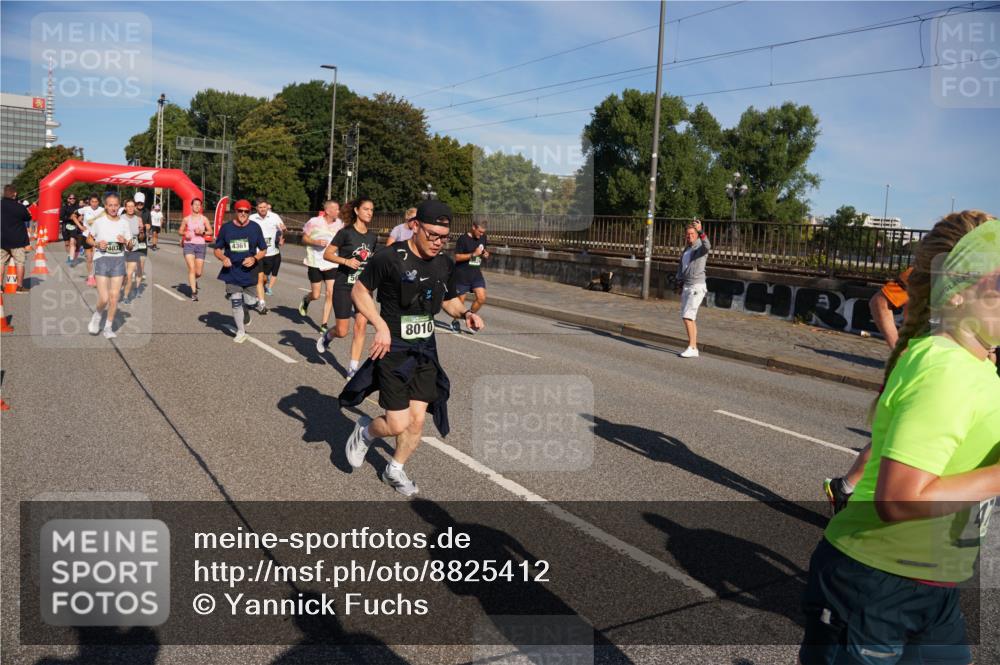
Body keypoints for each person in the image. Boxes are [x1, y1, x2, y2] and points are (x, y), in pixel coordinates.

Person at [799, 210, 1000, 665]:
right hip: (872, 582)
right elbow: (899, 500)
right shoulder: (944, 366)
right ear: (960, 292)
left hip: (935, 583)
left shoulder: (980, 364)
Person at [339, 200, 485, 496]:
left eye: (444, 237)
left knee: (417, 421)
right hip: (393, 348)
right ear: (416, 226)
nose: (438, 242)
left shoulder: (444, 263)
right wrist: (379, 326)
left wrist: (465, 313)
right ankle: (366, 432)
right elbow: (360, 291)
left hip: (424, 349)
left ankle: (394, 469)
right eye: (432, 234)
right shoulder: (390, 257)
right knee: (397, 423)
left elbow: (448, 301)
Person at [824, 267, 914, 514]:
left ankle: (847, 488)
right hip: (916, 371)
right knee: (896, 437)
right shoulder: (927, 266)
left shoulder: (984, 273)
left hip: (957, 376)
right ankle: (850, 491)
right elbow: (879, 302)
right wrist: (899, 350)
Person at [316, 197, 377, 378]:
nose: (369, 213)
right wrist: (346, 261)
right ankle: (328, 336)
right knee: (343, 331)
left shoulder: (373, 237)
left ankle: (352, 368)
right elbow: (328, 254)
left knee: (361, 326)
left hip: (363, 289)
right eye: (366, 209)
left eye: (372, 210)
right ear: (357, 211)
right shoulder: (346, 233)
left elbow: (371, 261)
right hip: (343, 285)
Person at [213, 200, 268, 344]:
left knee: (249, 301)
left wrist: (254, 258)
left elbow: (263, 250)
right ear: (235, 212)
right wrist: (223, 258)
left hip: (249, 271)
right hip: (232, 270)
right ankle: (241, 331)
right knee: (235, 300)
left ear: (250, 212)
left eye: (246, 211)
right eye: (240, 211)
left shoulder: (255, 228)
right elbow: (217, 249)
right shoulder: (226, 228)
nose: (243, 214)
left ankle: (247, 307)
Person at [83, 193, 133, 339]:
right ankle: (97, 315)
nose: (113, 208)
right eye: (110, 205)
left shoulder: (124, 223)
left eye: (115, 205)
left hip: (118, 261)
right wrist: (97, 244)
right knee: (104, 298)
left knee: (114, 297)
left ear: (119, 206)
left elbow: (131, 246)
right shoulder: (99, 221)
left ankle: (108, 327)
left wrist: (125, 241)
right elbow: (89, 239)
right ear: (105, 206)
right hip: (102, 259)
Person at [299, 200, 344, 334]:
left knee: (330, 292)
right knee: (316, 294)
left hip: (332, 262)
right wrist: (315, 242)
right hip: (315, 261)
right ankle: (307, 299)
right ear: (328, 210)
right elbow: (303, 239)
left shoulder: (340, 224)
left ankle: (324, 323)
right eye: (336, 209)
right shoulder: (314, 222)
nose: (338, 211)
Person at [675, 219, 710, 358]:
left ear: (696, 235)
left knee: (687, 316)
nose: (689, 236)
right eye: (687, 234)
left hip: (697, 286)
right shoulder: (687, 249)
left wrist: (701, 231)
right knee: (690, 317)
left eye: (692, 234)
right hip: (687, 285)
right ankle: (694, 348)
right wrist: (678, 283)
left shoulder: (700, 247)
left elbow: (708, 245)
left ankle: (692, 346)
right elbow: (682, 268)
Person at [449, 218, 489, 333]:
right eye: (480, 231)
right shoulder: (463, 239)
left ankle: (470, 317)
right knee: (460, 302)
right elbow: (457, 257)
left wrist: (485, 254)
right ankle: (455, 321)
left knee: (481, 298)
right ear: (473, 227)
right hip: (462, 275)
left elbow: (483, 251)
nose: (481, 234)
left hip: (476, 274)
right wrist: (473, 254)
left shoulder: (483, 237)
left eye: (483, 232)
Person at [249, 197, 285, 307]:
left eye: (264, 207)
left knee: (264, 278)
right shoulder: (252, 218)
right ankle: (260, 299)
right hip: (258, 253)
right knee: (259, 277)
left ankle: (259, 291)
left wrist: (281, 237)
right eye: (260, 207)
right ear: (256, 208)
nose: (263, 209)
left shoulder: (274, 217)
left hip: (271, 253)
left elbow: (282, 230)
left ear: (267, 207)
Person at [178, 198, 212, 301]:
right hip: (189, 245)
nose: (197, 206)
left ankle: (193, 279)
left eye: (199, 205)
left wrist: (203, 232)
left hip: (200, 246)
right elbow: (180, 231)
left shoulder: (204, 219)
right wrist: (185, 234)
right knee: (192, 269)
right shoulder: (186, 219)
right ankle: (194, 293)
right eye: (195, 204)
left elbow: (211, 231)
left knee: (199, 272)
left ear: (201, 207)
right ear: (191, 206)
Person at [1, 184, 32, 293]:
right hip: (17, 240)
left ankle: (0, 286)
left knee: (1, 263)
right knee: (20, 262)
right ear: (14, 194)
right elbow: (28, 217)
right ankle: (19, 286)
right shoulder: (19, 207)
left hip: (2, 239)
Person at [121, 198, 147, 304]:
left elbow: (141, 237)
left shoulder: (138, 219)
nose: (131, 208)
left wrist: (141, 232)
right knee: (123, 274)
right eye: (129, 206)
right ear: (125, 207)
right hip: (122, 249)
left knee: (130, 274)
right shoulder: (120, 218)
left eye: (132, 206)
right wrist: (124, 241)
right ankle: (120, 287)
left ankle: (126, 296)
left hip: (134, 249)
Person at [77, 194, 104, 287]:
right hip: (87, 235)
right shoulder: (85, 209)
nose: (94, 203)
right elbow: (73, 215)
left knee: (96, 257)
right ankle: (90, 276)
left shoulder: (102, 210)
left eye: (96, 201)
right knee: (89, 258)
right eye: (92, 201)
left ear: (99, 202)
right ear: (89, 202)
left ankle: (97, 277)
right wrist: (80, 226)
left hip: (98, 236)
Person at [60, 193, 81, 264]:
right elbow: (61, 217)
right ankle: (69, 256)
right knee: (67, 243)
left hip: (74, 226)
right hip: (65, 227)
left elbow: (81, 216)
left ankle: (71, 259)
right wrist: (69, 217)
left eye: (73, 198)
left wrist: (78, 218)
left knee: (72, 242)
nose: (72, 200)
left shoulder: (78, 207)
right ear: (68, 199)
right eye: (70, 198)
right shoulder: (64, 207)